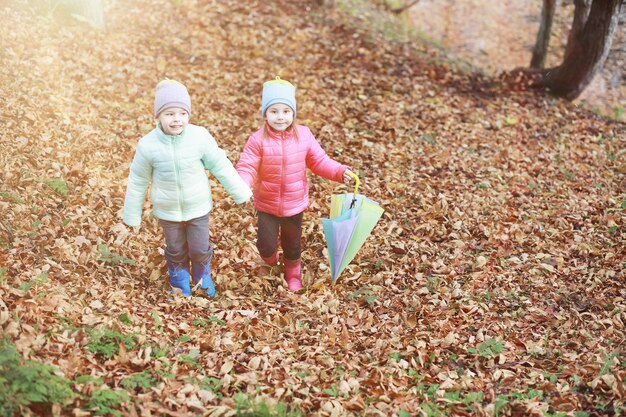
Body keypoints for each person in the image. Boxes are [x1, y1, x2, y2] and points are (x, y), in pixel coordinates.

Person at [123, 79, 252, 298]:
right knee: (175, 249)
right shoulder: (148, 145)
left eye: (182, 113)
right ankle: (178, 275)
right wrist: (132, 216)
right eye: (169, 114)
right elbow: (138, 180)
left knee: (199, 248)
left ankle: (202, 273)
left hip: (198, 207)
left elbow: (220, 165)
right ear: (158, 117)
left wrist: (240, 192)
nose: (176, 119)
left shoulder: (199, 137)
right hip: (168, 209)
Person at [236, 76, 353, 292]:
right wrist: (242, 184)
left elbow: (319, 161)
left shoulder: (304, 136)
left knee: (292, 244)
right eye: (274, 111)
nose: (280, 117)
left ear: (293, 113)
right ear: (265, 114)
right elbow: (248, 166)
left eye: (285, 111)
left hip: (294, 203)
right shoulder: (257, 140)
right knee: (265, 244)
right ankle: (271, 263)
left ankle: (293, 273)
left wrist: (339, 172)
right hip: (267, 204)